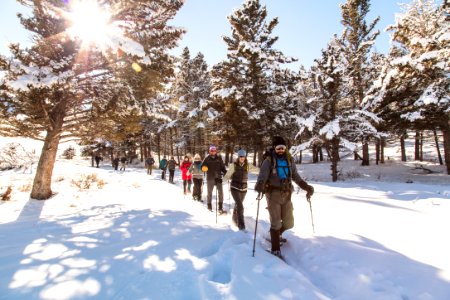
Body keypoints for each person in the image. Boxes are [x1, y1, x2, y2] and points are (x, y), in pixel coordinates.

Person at [255, 136, 314, 259]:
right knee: (276, 222)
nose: (280, 150)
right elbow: (262, 175)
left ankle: (275, 235)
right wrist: (260, 185)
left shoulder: (289, 160)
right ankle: (275, 249)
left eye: (282, 148)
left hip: (287, 194)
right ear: (274, 148)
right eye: (278, 148)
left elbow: (296, 176)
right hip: (273, 194)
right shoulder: (269, 160)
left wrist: (306, 187)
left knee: (289, 222)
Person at [223, 149, 258, 230]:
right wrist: (220, 181)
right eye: (240, 156)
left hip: (244, 189)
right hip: (234, 188)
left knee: (238, 205)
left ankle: (234, 218)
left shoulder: (247, 165)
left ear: (245, 157)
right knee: (240, 206)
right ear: (238, 157)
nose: (242, 158)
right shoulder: (234, 165)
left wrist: (266, 172)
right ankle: (241, 226)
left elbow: (258, 171)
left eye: (243, 156)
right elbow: (227, 176)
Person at [201, 145, 227, 213]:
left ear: (216, 151)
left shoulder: (219, 158)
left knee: (220, 192)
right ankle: (209, 206)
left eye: (214, 150)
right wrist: (204, 168)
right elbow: (202, 167)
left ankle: (220, 207)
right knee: (209, 192)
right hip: (210, 177)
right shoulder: (207, 158)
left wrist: (225, 172)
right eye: (212, 150)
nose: (213, 152)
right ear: (209, 151)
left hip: (218, 177)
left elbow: (223, 167)